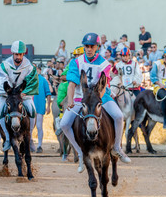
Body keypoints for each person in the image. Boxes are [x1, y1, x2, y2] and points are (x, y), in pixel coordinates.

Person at [60, 33, 131, 173]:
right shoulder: (76, 62)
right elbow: (71, 85)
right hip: (81, 97)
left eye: (92, 46)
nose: (89, 48)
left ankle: (117, 147)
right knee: (63, 124)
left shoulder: (104, 63)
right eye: (86, 46)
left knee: (118, 116)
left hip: (100, 96)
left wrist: (98, 99)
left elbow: (103, 85)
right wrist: (70, 100)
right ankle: (80, 152)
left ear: (97, 47)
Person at [0, 40, 39, 151]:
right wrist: (9, 93)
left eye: (20, 54)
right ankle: (8, 138)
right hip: (7, 95)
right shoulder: (4, 66)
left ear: (23, 54)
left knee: (32, 110)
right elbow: (0, 81)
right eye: (16, 54)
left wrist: (24, 92)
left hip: (23, 95)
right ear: (12, 53)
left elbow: (33, 81)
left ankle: (30, 135)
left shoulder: (29, 67)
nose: (18, 57)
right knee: (0, 110)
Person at [33, 65, 51, 153]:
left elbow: (48, 93)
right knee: (30, 127)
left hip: (40, 105)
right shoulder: (28, 80)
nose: (36, 71)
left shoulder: (43, 80)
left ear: (39, 70)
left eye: (37, 69)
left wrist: (48, 106)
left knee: (39, 126)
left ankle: (39, 145)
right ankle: (30, 145)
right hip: (31, 106)